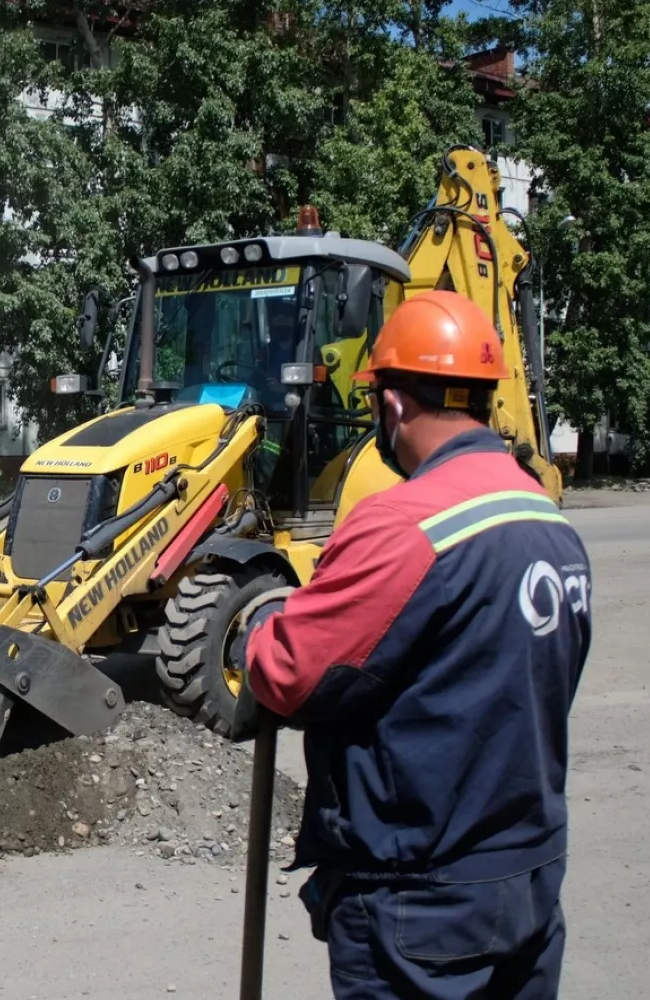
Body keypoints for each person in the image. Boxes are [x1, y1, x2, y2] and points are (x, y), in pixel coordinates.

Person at [227, 289, 592, 1000]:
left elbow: (290, 673)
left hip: (421, 894)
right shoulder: (548, 523)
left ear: (391, 405)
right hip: (528, 876)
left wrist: (258, 631)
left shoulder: (405, 523)